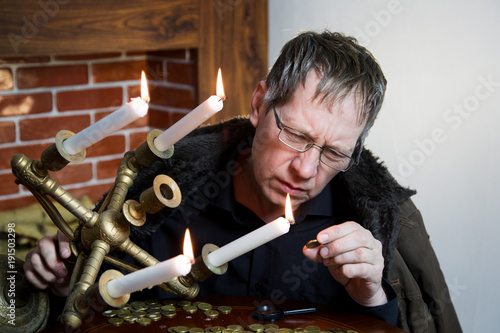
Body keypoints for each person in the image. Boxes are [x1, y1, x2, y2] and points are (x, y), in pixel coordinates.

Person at [23, 31, 462, 331]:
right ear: (258, 104)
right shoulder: (165, 197)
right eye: (296, 135)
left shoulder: (371, 227)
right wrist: (69, 280)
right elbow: (101, 306)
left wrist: (371, 297)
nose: (306, 170)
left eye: (333, 153)